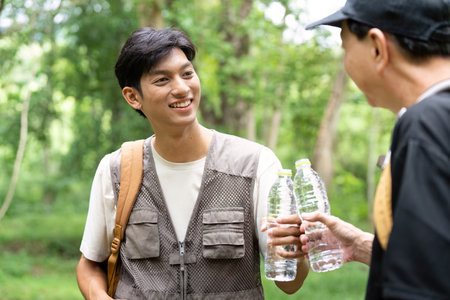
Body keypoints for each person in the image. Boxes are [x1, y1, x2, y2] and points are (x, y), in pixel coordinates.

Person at [76, 27, 309, 300]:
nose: (182, 88)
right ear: (133, 97)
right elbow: (90, 264)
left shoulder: (255, 165)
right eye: (162, 80)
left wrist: (296, 253)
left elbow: (289, 283)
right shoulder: (117, 170)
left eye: (187, 74)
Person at [280, 0, 450, 299]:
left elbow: (422, 286)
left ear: (377, 47)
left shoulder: (426, 123)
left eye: (345, 48)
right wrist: (362, 245)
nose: (346, 65)